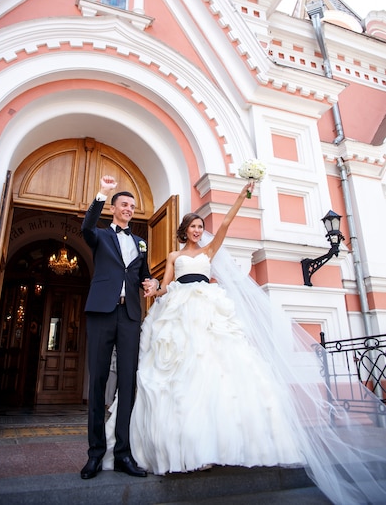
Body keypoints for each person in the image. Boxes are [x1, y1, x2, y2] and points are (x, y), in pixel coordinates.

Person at [103, 181, 386, 505]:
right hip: (179, 307)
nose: (198, 231)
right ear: (184, 230)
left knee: (218, 368)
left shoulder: (209, 250)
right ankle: (182, 446)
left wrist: (242, 195)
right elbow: (166, 285)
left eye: (200, 226)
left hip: (208, 307)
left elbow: (224, 224)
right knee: (179, 374)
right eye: (193, 227)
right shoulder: (174, 255)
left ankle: (223, 443)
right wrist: (154, 288)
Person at [80, 175, 157, 480]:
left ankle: (123, 454)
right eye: (124, 204)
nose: (129, 209)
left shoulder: (140, 242)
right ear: (113, 208)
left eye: (132, 206)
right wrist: (102, 192)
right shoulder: (99, 235)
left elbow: (145, 276)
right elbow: (85, 227)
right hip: (101, 313)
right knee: (98, 382)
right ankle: (95, 455)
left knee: (128, 384)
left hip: (129, 317)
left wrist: (153, 284)